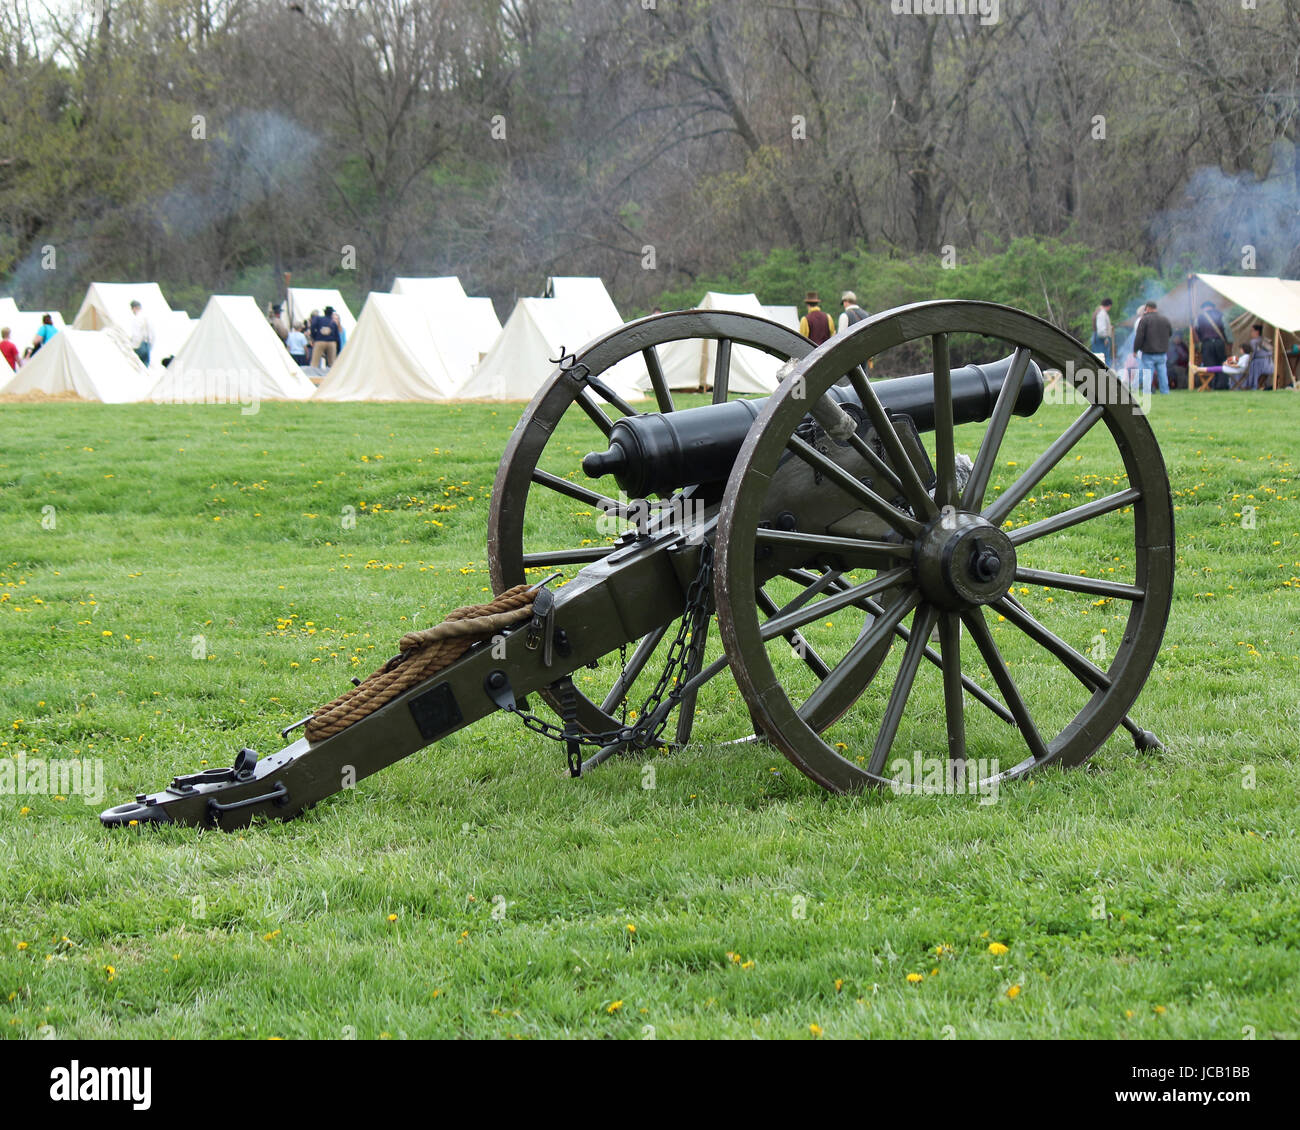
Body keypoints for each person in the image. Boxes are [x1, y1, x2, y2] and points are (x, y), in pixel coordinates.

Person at [1133, 300, 1172, 395]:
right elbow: (1170, 333)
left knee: (1148, 373)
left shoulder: (1144, 320)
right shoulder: (1165, 319)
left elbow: (1139, 336)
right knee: (1162, 373)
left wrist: (1135, 349)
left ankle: (1146, 391)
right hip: (1162, 352)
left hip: (1148, 352)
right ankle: (1165, 391)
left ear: (1148, 308)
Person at [1195, 300, 1229, 375]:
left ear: (1204, 308)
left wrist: (1198, 345)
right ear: (1212, 307)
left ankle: (1211, 384)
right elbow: (1227, 330)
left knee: (1209, 365)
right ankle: (1222, 384)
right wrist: (1228, 342)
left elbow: (1196, 331)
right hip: (1219, 343)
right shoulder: (1221, 315)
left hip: (1206, 344)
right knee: (1221, 364)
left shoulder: (1199, 318)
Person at [1242, 324, 1273, 391]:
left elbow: (1253, 353)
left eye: (1252, 331)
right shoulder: (1265, 340)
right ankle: (1266, 385)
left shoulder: (1254, 341)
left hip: (1260, 363)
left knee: (1253, 365)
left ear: (1257, 332)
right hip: (1270, 364)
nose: (1251, 333)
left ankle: (1254, 386)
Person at [1090, 298, 1115, 366]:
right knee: (1102, 361)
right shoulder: (1102, 314)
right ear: (1109, 305)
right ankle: (1105, 376)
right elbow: (1101, 331)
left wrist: (1109, 327)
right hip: (1100, 340)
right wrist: (1106, 338)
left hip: (1098, 338)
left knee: (1100, 360)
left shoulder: (1099, 312)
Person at [128, 301, 152, 366]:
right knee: (145, 366)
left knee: (138, 366)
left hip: (140, 344)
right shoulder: (146, 317)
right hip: (147, 344)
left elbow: (136, 334)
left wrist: (133, 346)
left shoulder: (137, 318)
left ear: (134, 308)